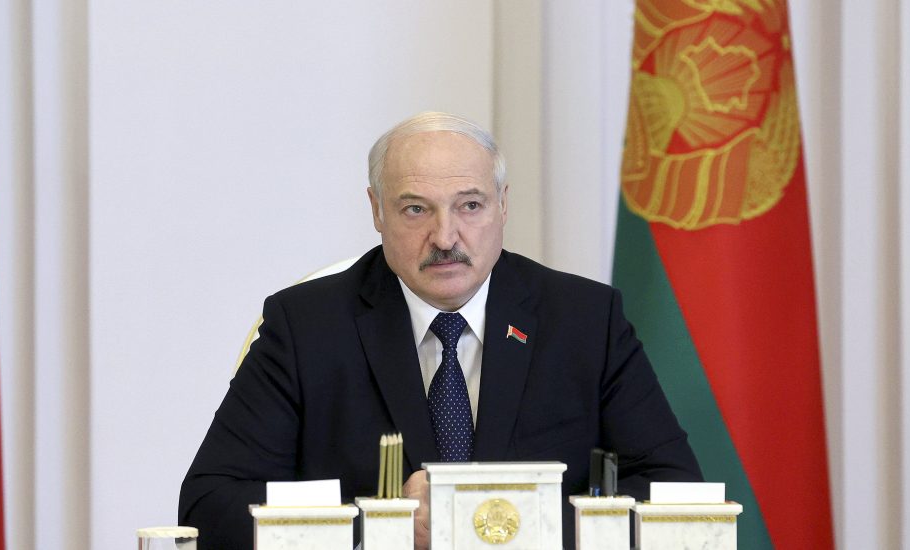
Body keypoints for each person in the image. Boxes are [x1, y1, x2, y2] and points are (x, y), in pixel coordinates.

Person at [179, 112, 702, 549]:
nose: (446, 237)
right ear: (377, 211)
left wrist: (503, 520)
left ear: (503, 205)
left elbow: (674, 489)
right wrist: (379, 526)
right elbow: (209, 503)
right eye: (415, 210)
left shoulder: (584, 319)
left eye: (470, 205)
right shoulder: (307, 326)